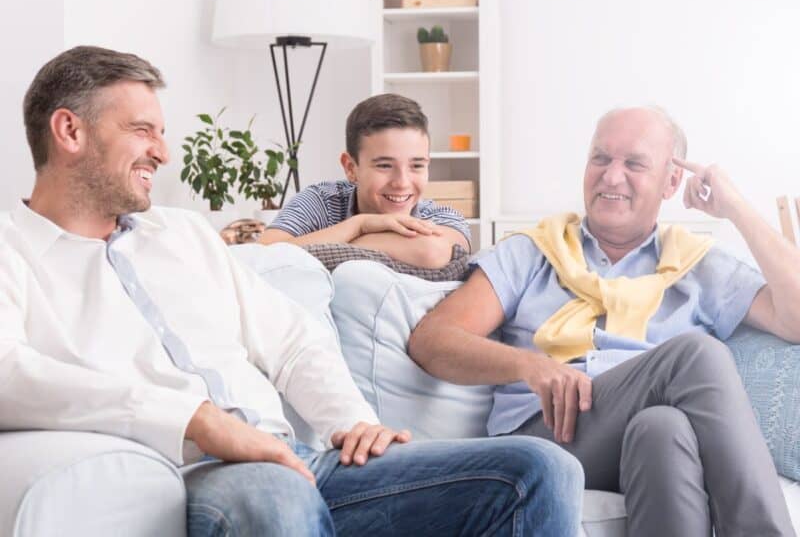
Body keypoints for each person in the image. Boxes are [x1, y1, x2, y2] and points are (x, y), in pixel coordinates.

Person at [0, 45, 585, 536]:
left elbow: (292, 340)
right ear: (69, 130)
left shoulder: (179, 234)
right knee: (276, 499)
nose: (163, 150)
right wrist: (196, 420)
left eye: (162, 132)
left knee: (539, 467)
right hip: (204, 473)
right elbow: (10, 373)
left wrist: (351, 422)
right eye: (141, 130)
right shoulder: (11, 250)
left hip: (304, 458)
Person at [409, 105, 800, 536]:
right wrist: (528, 365)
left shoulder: (696, 265)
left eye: (633, 163)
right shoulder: (536, 251)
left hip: (633, 440)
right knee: (697, 355)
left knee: (662, 428)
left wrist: (737, 208)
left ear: (672, 181)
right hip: (544, 435)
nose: (611, 177)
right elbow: (433, 339)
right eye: (600, 158)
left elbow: (795, 319)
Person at [258, 93, 471, 269]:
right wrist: (358, 225)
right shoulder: (321, 201)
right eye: (384, 166)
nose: (402, 183)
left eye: (417, 165)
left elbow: (430, 252)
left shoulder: (441, 217)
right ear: (351, 168)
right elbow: (262, 255)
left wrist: (335, 241)